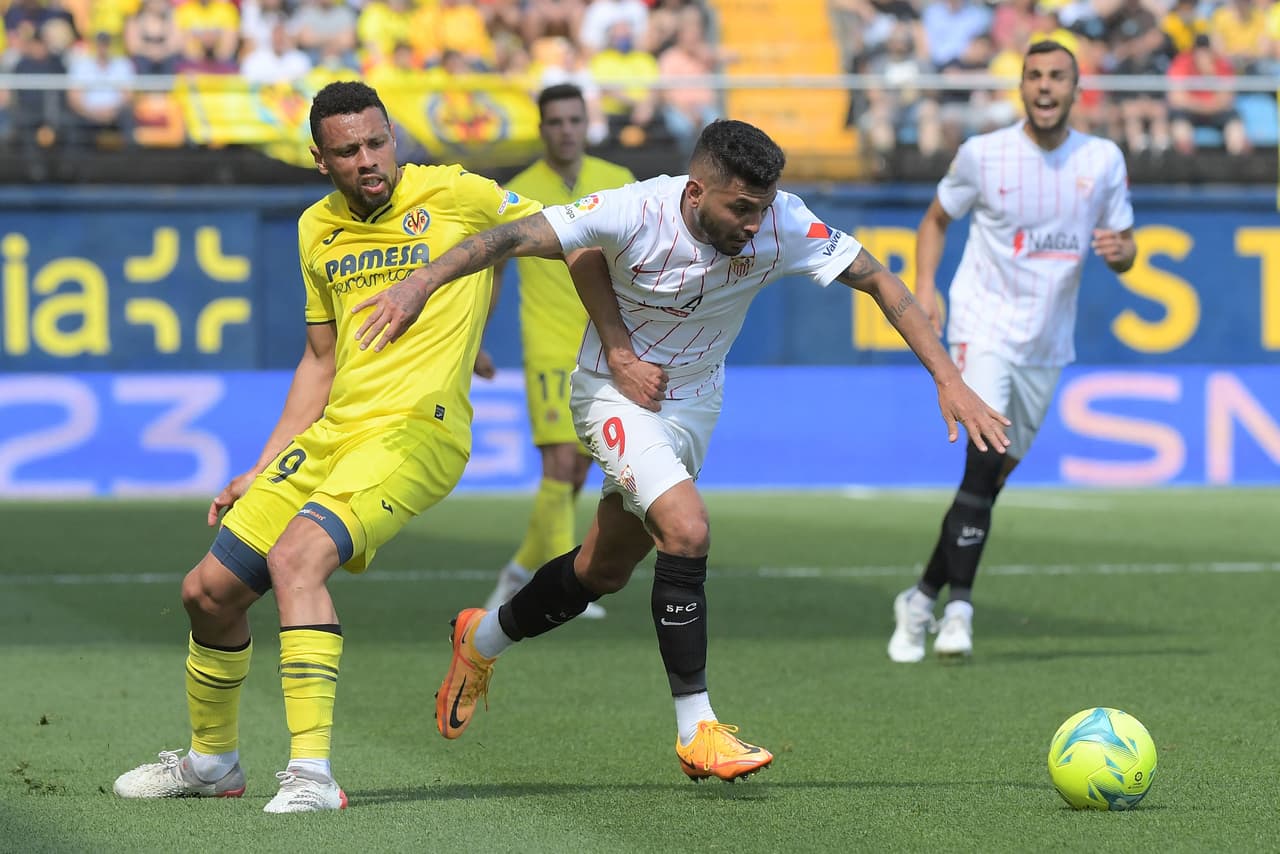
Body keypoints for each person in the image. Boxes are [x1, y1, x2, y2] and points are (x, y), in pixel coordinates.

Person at [350, 119, 1011, 781]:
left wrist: (950, 381)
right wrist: (418, 285)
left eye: (762, 207)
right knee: (687, 530)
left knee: (600, 571)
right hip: (613, 396)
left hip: (695, 404)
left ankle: (481, 636)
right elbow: (508, 238)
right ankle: (698, 728)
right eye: (741, 208)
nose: (755, 224)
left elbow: (880, 282)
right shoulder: (634, 209)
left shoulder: (783, 221)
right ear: (696, 192)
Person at [111, 81, 543, 812]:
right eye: (349, 151)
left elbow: (547, 236)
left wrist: (604, 342)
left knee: (295, 558)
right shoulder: (317, 229)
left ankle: (312, 776)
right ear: (321, 160)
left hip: (419, 429)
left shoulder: (457, 192)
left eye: (378, 143)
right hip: (334, 431)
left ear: (393, 139)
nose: (369, 160)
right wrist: (264, 462)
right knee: (207, 594)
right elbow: (320, 360)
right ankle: (213, 762)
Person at [887, 40, 1137, 664]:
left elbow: (1126, 244)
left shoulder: (1102, 160)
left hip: (1048, 342)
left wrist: (1121, 253)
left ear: (1077, 89)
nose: (1045, 86)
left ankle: (919, 597)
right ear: (1020, 86)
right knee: (984, 457)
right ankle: (959, 612)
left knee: (992, 481)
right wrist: (925, 288)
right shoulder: (984, 154)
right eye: (1034, 76)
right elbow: (935, 219)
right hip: (984, 325)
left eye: (1057, 77)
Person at [480, 83, 635, 618]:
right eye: (555, 122)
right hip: (549, 346)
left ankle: (519, 574)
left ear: (586, 123)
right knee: (560, 463)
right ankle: (569, 583)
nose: (565, 130)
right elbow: (492, 270)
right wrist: (477, 338)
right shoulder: (517, 194)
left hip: (606, 344)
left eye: (574, 120)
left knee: (576, 475)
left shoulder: (618, 183)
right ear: (541, 129)